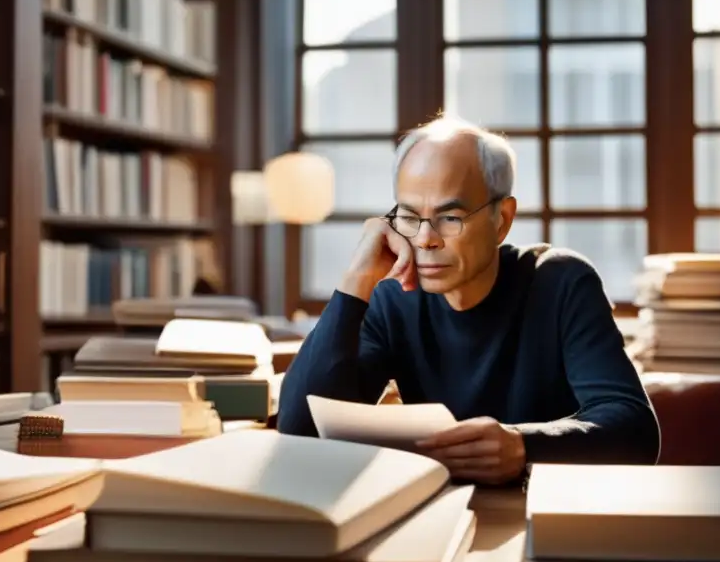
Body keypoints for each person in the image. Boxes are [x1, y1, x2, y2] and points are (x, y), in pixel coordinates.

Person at [277, 115, 660, 485]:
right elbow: (299, 432)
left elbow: (635, 429)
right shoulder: (395, 297)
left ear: (502, 220)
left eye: (450, 218)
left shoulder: (560, 282)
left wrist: (522, 446)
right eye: (410, 217)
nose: (426, 239)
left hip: (548, 513)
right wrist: (355, 280)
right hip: (438, 512)